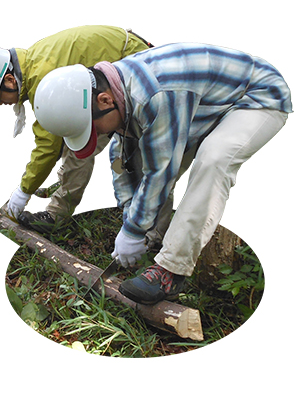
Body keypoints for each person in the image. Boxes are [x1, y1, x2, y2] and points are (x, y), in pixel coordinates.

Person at [33, 42, 291, 304]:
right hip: (209, 99)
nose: (97, 134)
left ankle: (171, 269)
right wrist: (130, 219)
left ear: (104, 100)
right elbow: (122, 156)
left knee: (213, 160)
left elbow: (161, 171)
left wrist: (132, 231)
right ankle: (154, 238)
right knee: (141, 157)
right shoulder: (116, 88)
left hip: (257, 96)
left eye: (92, 127)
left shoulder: (154, 94)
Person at [0, 25, 153, 233]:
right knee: (70, 131)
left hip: (134, 64)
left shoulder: (40, 77)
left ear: (10, 80)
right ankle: (65, 185)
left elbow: (48, 146)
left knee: (79, 146)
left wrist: (23, 192)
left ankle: (56, 215)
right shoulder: (33, 63)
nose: (0, 104)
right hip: (128, 56)